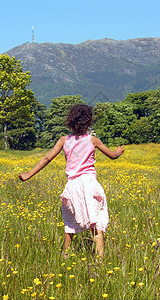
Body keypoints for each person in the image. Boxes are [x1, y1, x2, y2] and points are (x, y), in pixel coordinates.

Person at [19, 104, 124, 258]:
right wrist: (118, 152)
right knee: (95, 224)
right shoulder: (93, 140)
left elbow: (47, 158)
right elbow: (113, 156)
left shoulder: (63, 140)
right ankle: (100, 259)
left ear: (71, 121)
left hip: (72, 186)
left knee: (70, 224)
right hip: (89, 184)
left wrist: (29, 174)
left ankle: (65, 255)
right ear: (88, 122)